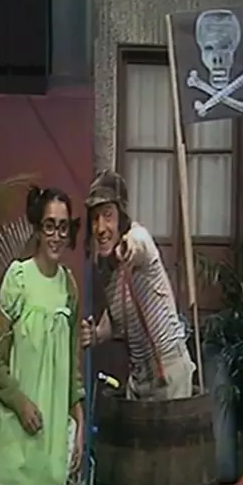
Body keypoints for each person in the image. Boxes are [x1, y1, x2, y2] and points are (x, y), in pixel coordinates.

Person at [0, 186, 85, 485]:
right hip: (11, 450)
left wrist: (79, 422)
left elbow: (71, 365)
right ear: (37, 228)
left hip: (49, 458)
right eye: (49, 225)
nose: (56, 235)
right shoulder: (18, 279)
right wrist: (20, 403)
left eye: (63, 227)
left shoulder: (69, 287)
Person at [81, 170, 195, 401]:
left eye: (108, 215)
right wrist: (96, 334)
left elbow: (138, 244)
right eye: (95, 218)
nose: (100, 228)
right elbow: (117, 315)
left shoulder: (139, 239)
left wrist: (128, 246)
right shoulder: (107, 269)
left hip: (168, 371)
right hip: (139, 379)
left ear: (121, 217)